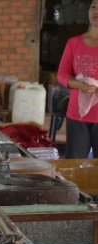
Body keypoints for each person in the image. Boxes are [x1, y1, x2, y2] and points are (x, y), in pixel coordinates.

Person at [57, 0, 98, 159]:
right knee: (75, 168)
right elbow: (62, 73)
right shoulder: (74, 43)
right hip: (77, 115)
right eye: (93, 6)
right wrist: (77, 84)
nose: (96, 11)